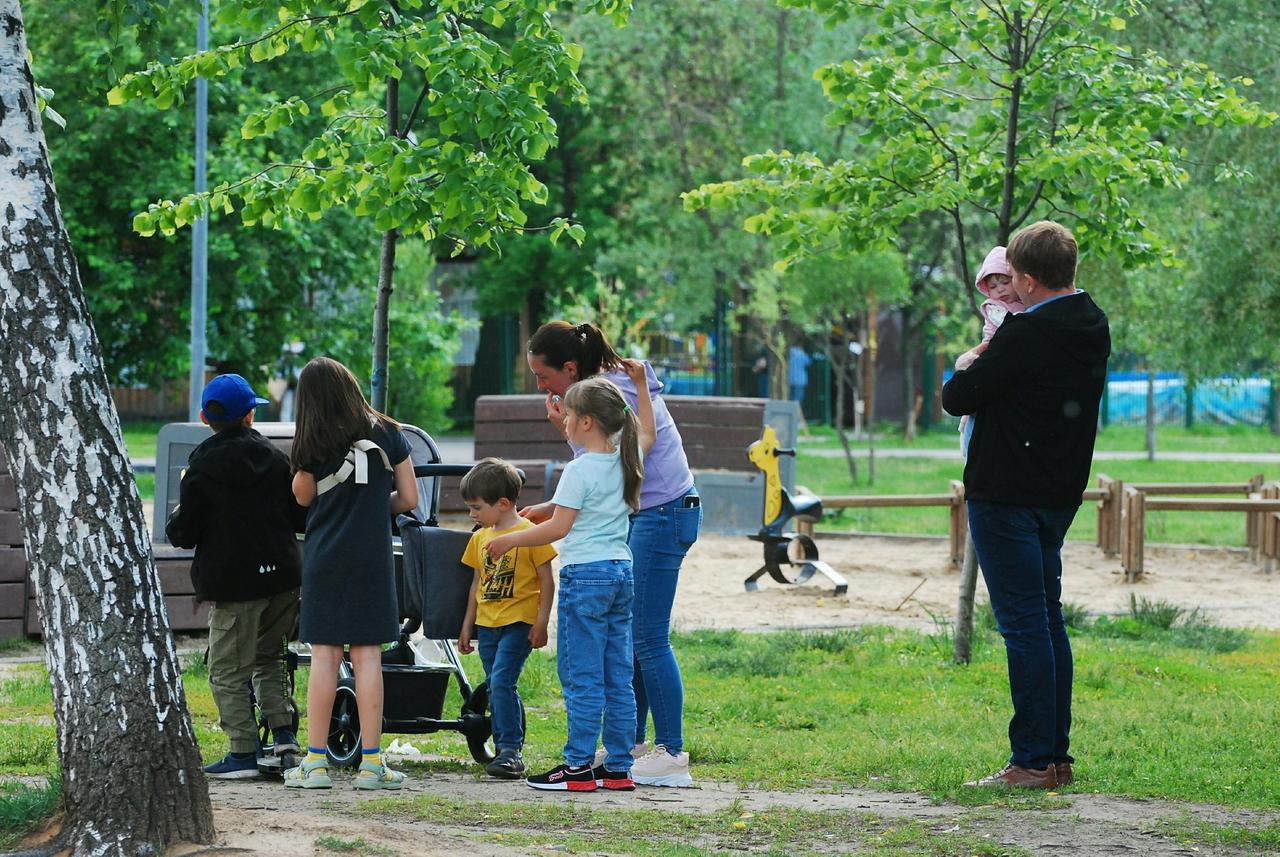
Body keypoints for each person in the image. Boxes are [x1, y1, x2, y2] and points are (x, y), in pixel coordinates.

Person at [942, 221, 1110, 789]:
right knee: (1047, 619)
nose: (1006, 285)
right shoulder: (1091, 322)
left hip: (1005, 492)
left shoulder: (1024, 334)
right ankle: (1055, 756)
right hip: (1057, 493)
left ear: (1031, 280)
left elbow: (956, 396)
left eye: (1012, 276)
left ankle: (1033, 759)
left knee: (1024, 626)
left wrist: (966, 362)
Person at [525, 321, 701, 788]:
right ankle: (632, 746)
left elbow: (626, 450)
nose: (540, 387)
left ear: (569, 368)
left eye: (544, 377)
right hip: (654, 513)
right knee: (631, 644)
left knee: (647, 639)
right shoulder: (605, 389)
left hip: (662, 513)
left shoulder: (611, 388)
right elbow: (606, 463)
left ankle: (671, 751)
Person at [486, 364, 656, 792]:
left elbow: (559, 529)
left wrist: (511, 541)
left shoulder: (579, 470)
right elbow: (649, 432)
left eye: (567, 413)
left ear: (585, 422)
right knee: (617, 675)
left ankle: (578, 766)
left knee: (582, 675)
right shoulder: (625, 460)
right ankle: (618, 767)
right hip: (621, 573)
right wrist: (640, 386)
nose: (561, 418)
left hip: (586, 578)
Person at [283, 357, 419, 790]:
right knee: (368, 658)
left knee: (325, 657)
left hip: (326, 559)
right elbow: (410, 497)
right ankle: (373, 764)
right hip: (371, 560)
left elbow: (302, 498)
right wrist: (374, 506)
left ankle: (316, 764)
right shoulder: (389, 432)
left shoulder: (312, 440)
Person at [166, 373, 306, 779]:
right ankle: (283, 736)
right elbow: (299, 514)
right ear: (249, 416)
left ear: (204, 417)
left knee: (227, 668)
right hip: (282, 576)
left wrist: (178, 519)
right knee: (271, 656)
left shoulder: (202, 467)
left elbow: (184, 532)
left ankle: (243, 752)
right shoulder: (276, 457)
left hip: (235, 584)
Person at [457, 458, 557, 780]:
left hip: (519, 623)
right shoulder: (479, 539)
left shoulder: (531, 534)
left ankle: (510, 750)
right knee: (497, 683)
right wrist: (466, 625)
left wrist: (541, 622)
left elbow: (547, 580)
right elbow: (477, 583)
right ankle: (506, 747)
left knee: (501, 681)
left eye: (476, 508)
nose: (472, 515)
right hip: (487, 624)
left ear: (502, 504)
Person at [955, 246, 1026, 455]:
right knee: (976, 406)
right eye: (993, 286)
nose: (1000, 290)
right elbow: (1012, 330)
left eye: (1005, 282)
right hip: (986, 355)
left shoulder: (1022, 305)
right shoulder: (996, 308)